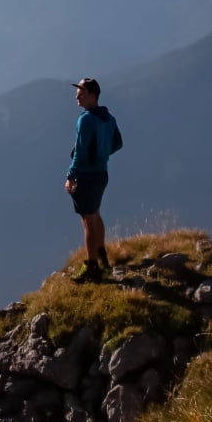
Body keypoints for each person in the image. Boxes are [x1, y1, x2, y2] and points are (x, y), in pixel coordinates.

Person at [65, 77, 123, 282]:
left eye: (81, 91)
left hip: (86, 176)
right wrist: (102, 155)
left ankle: (92, 267)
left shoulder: (86, 119)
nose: (77, 95)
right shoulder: (108, 118)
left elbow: (79, 153)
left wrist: (70, 176)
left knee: (88, 221)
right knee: (95, 215)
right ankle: (101, 256)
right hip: (101, 174)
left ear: (93, 94)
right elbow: (118, 143)